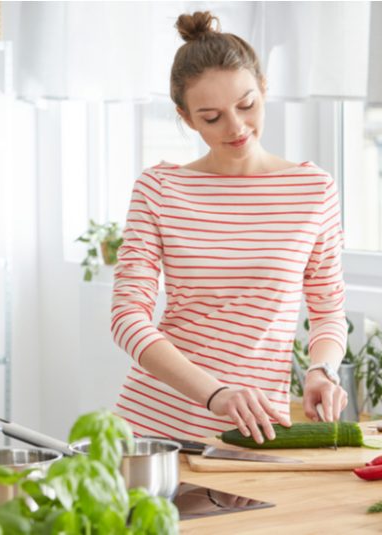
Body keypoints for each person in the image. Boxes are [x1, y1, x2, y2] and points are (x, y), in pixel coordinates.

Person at [111, 11, 348, 444]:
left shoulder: (313, 189)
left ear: (263, 88)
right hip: (154, 427)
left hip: (253, 428)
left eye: (246, 105)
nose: (237, 127)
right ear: (186, 118)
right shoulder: (160, 189)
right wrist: (214, 393)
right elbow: (128, 317)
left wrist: (321, 369)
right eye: (211, 116)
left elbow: (328, 310)